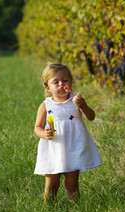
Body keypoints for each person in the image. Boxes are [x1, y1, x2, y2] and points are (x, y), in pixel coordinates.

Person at [34, 62, 102, 204]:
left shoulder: (76, 102)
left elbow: (91, 117)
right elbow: (37, 127)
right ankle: (49, 208)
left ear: (71, 82)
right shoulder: (46, 105)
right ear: (47, 87)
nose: (61, 84)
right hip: (53, 148)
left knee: (72, 184)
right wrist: (44, 134)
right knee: (52, 183)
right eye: (56, 82)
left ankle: (76, 208)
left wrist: (83, 105)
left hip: (73, 148)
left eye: (65, 80)